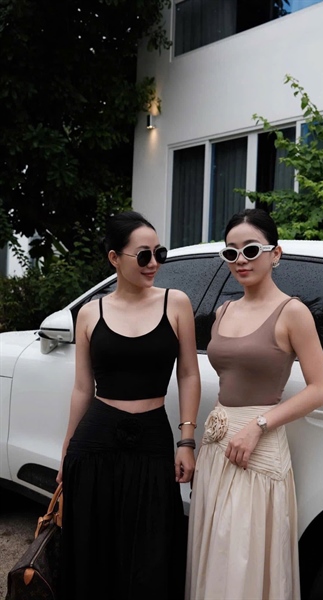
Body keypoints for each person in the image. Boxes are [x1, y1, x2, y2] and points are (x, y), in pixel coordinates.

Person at [185, 208, 323, 600]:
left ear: (275, 253)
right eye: (231, 253)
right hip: (217, 448)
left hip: (257, 450)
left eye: (251, 250)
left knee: (241, 559)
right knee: (215, 553)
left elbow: (321, 389)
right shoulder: (223, 310)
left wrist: (259, 425)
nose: (241, 260)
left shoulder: (292, 312)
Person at [57, 210, 200, 600]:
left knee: (151, 555)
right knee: (95, 553)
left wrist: (187, 441)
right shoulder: (90, 312)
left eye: (159, 253)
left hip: (153, 439)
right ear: (114, 258)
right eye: (143, 255)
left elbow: (189, 374)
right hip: (96, 444)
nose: (154, 263)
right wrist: (67, 449)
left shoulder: (176, 303)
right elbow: (82, 388)